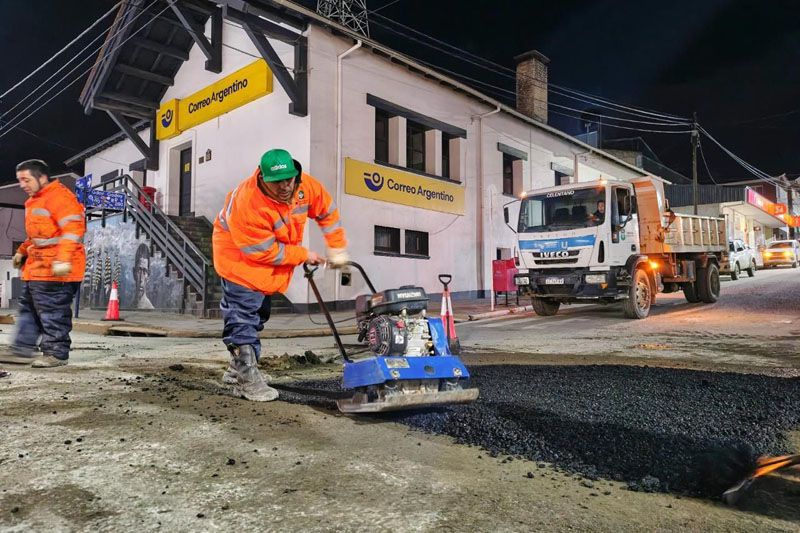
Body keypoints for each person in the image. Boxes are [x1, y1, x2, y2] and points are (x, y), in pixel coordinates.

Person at [212, 149, 348, 401]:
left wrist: (337, 248)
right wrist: (303, 255)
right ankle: (245, 380)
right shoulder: (248, 202)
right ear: (262, 179)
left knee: (260, 314)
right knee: (243, 318)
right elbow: (263, 252)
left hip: (265, 259)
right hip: (239, 258)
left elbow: (327, 212)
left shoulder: (304, 185)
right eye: (277, 182)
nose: (286, 187)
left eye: (289, 179)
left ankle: (235, 369)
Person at [0, 160, 86, 367]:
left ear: (42, 177)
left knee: (52, 313)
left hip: (57, 269)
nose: (22, 184)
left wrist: (63, 260)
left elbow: (73, 230)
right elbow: (39, 236)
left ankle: (56, 353)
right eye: (20, 180)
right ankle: (22, 350)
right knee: (29, 309)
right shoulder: (36, 200)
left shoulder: (60, 198)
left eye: (26, 179)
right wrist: (21, 252)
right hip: (38, 269)